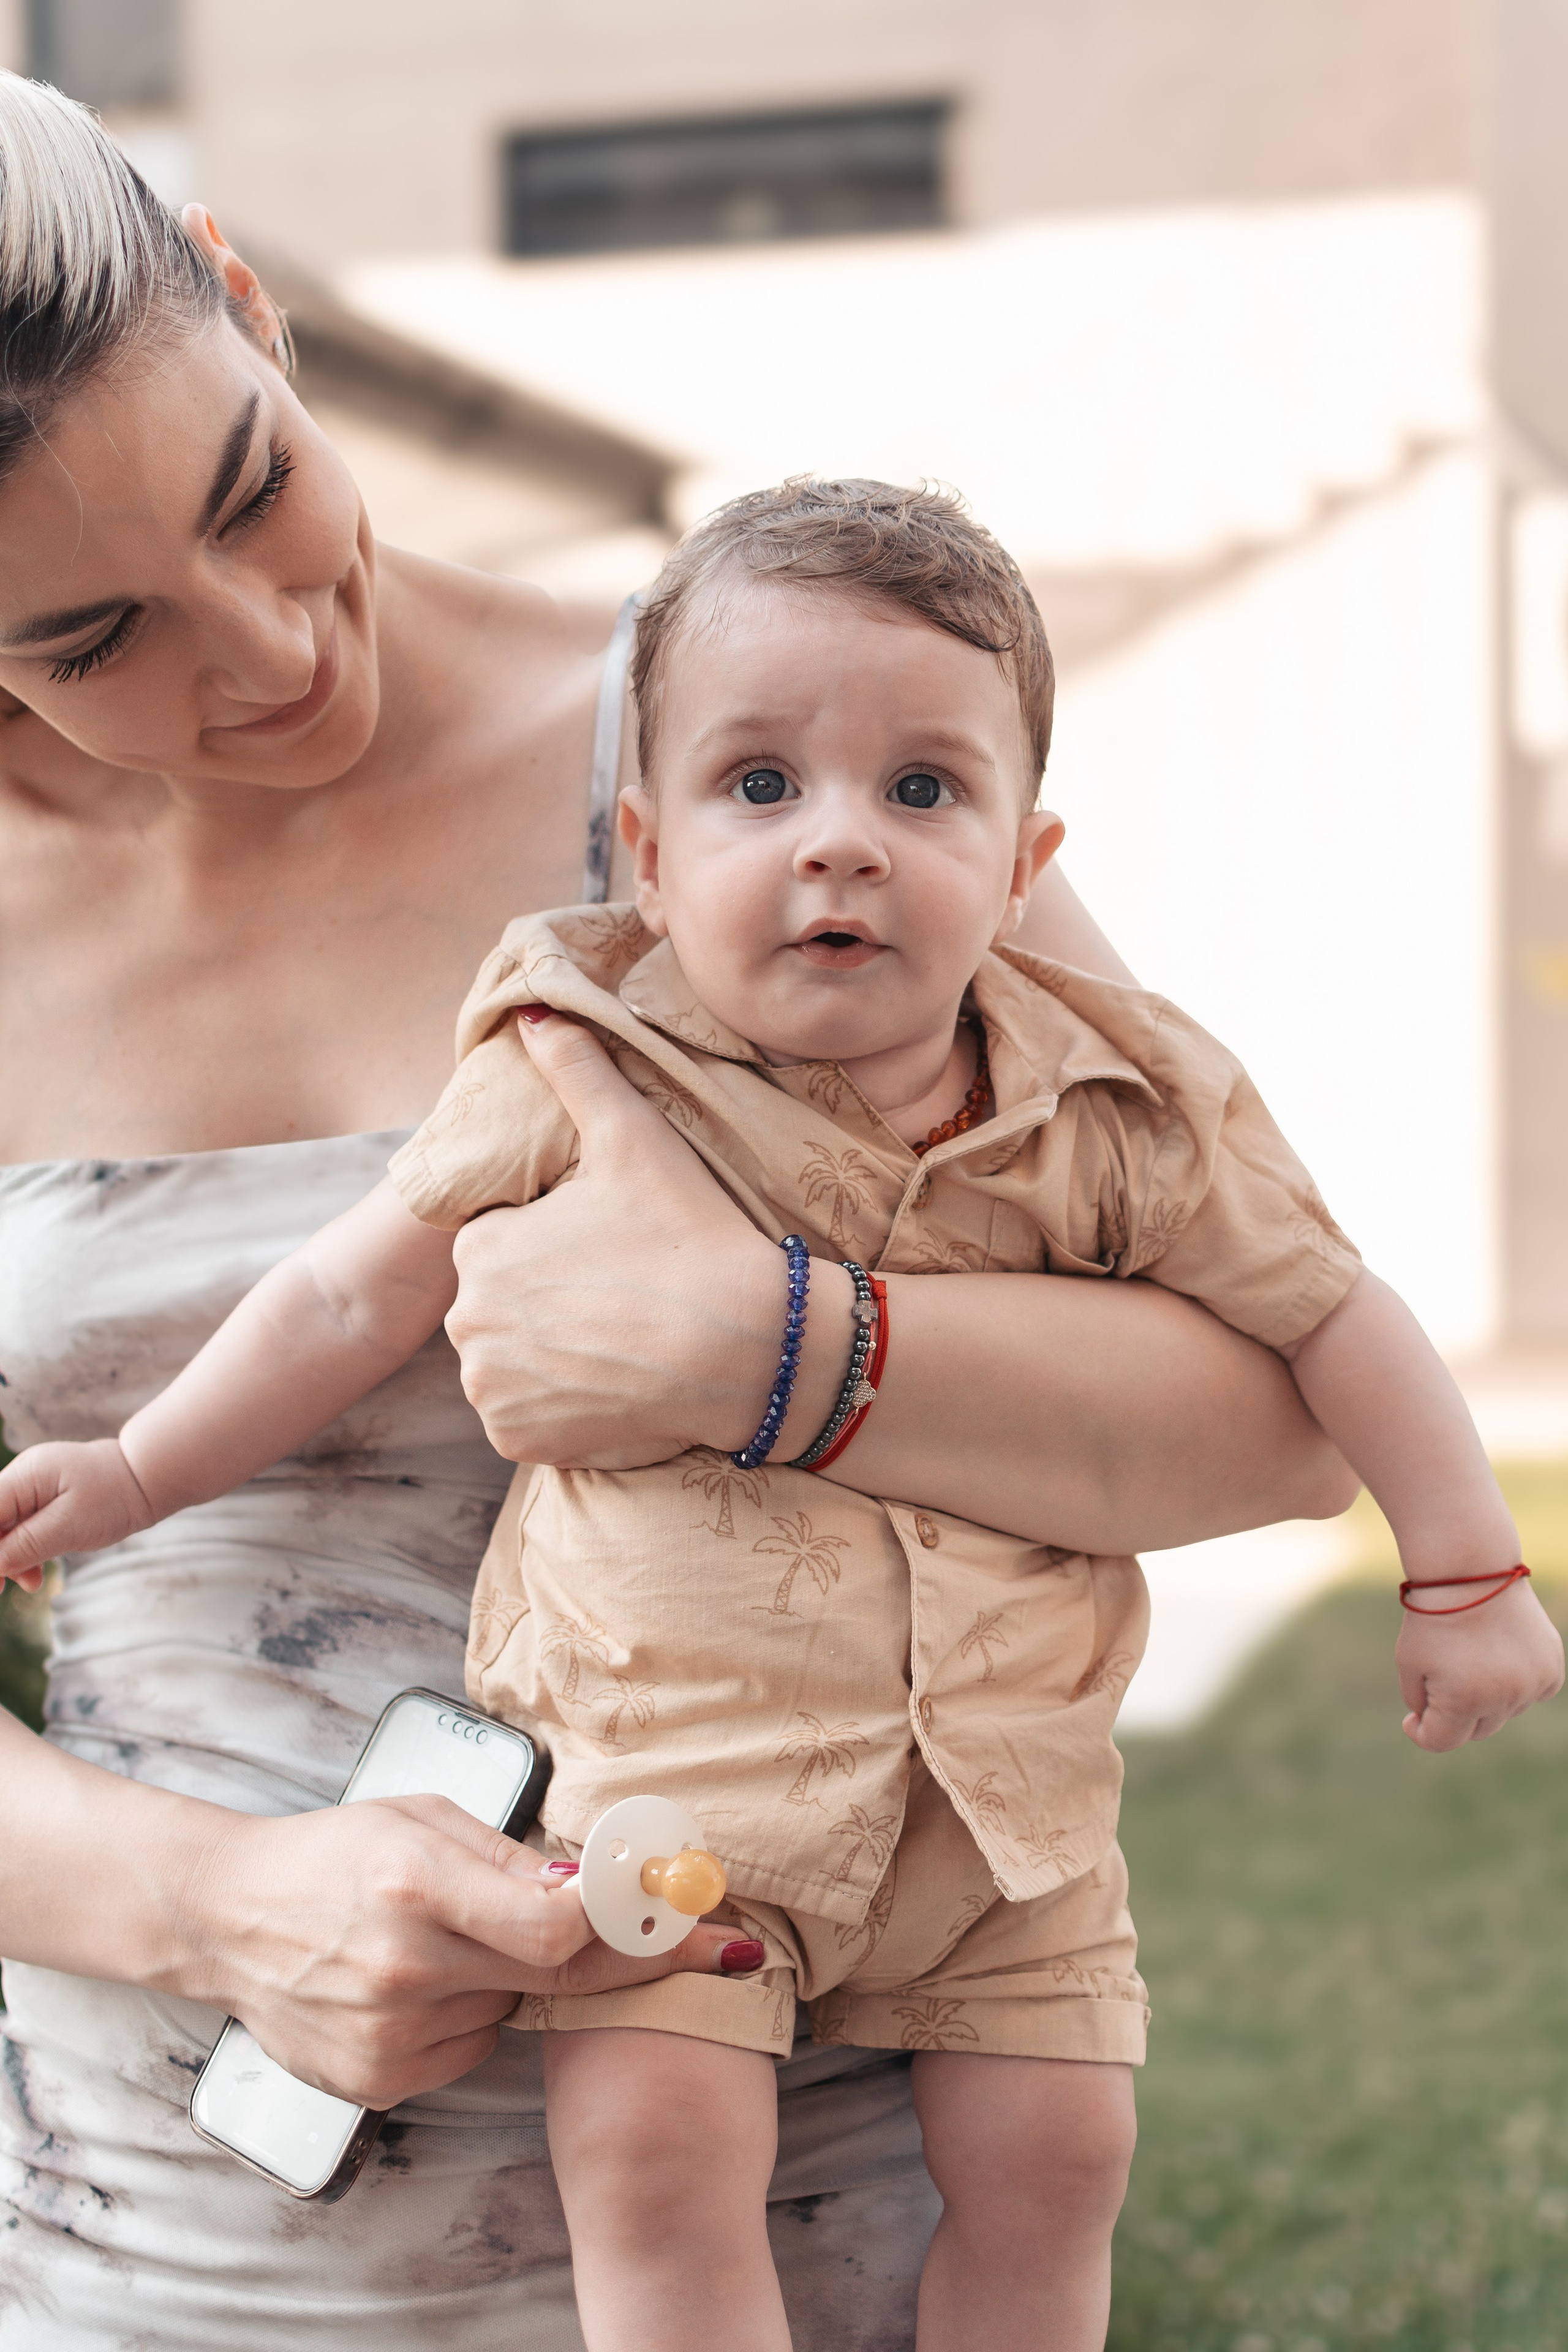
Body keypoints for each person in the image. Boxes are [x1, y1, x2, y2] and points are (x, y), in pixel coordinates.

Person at [0, 72, 1359, 2352]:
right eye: (86, 640)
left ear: (246, 302)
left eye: (256, 490)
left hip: (822, 2213)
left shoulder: (769, 744)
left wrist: (778, 1349)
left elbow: (1281, 1396)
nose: (264, 652)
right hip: (158, 2249)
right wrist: (217, 1907)